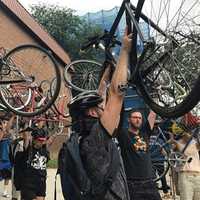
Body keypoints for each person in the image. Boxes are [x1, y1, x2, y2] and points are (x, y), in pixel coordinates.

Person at [67, 28, 131, 200]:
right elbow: (117, 95)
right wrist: (124, 51)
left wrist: (106, 74)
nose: (104, 105)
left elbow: (101, 93)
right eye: (100, 106)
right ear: (93, 112)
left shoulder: (86, 139)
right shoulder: (96, 138)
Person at [117, 108, 162, 200]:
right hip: (133, 183)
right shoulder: (123, 134)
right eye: (135, 117)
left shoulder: (145, 133)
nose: (138, 120)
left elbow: (153, 114)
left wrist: (152, 103)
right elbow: (116, 118)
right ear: (128, 119)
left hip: (150, 180)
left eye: (140, 118)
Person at [19, 122, 55, 200]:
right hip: (29, 183)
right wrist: (27, 120)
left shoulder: (45, 149)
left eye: (43, 140)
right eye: (39, 140)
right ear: (34, 140)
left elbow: (52, 137)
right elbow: (26, 137)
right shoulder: (29, 149)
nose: (41, 142)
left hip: (41, 183)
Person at [170, 124, 200, 200]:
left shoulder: (195, 142)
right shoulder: (177, 144)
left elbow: (190, 151)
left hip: (198, 175)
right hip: (185, 176)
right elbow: (174, 161)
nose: (188, 134)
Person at [149, 121, 170, 199]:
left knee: (152, 177)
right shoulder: (160, 140)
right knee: (162, 176)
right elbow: (166, 151)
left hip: (151, 161)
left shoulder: (147, 139)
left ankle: (153, 191)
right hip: (159, 161)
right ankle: (165, 192)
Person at [0, 115, 15, 198]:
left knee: (7, 177)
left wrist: (13, 116)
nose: (5, 124)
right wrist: (2, 129)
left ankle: (5, 191)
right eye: (4, 122)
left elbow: (8, 128)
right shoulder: (1, 132)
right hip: (1, 159)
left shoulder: (8, 133)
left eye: (6, 122)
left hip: (8, 159)